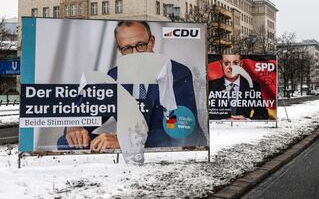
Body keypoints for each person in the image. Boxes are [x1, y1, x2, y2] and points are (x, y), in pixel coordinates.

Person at [58, 21, 207, 151]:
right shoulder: (115, 76)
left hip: (178, 153)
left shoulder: (178, 73)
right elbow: (92, 112)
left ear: (152, 42)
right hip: (134, 156)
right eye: (127, 48)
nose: (135, 54)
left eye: (141, 45)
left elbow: (182, 131)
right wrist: (76, 126)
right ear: (120, 50)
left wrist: (126, 141)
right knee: (68, 142)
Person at [209, 54, 269, 120]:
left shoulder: (252, 86)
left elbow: (263, 114)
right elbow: (203, 113)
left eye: (235, 63)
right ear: (221, 64)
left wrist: (247, 121)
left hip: (243, 129)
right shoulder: (211, 86)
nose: (231, 67)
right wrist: (222, 121)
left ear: (241, 64)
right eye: (226, 63)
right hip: (218, 129)